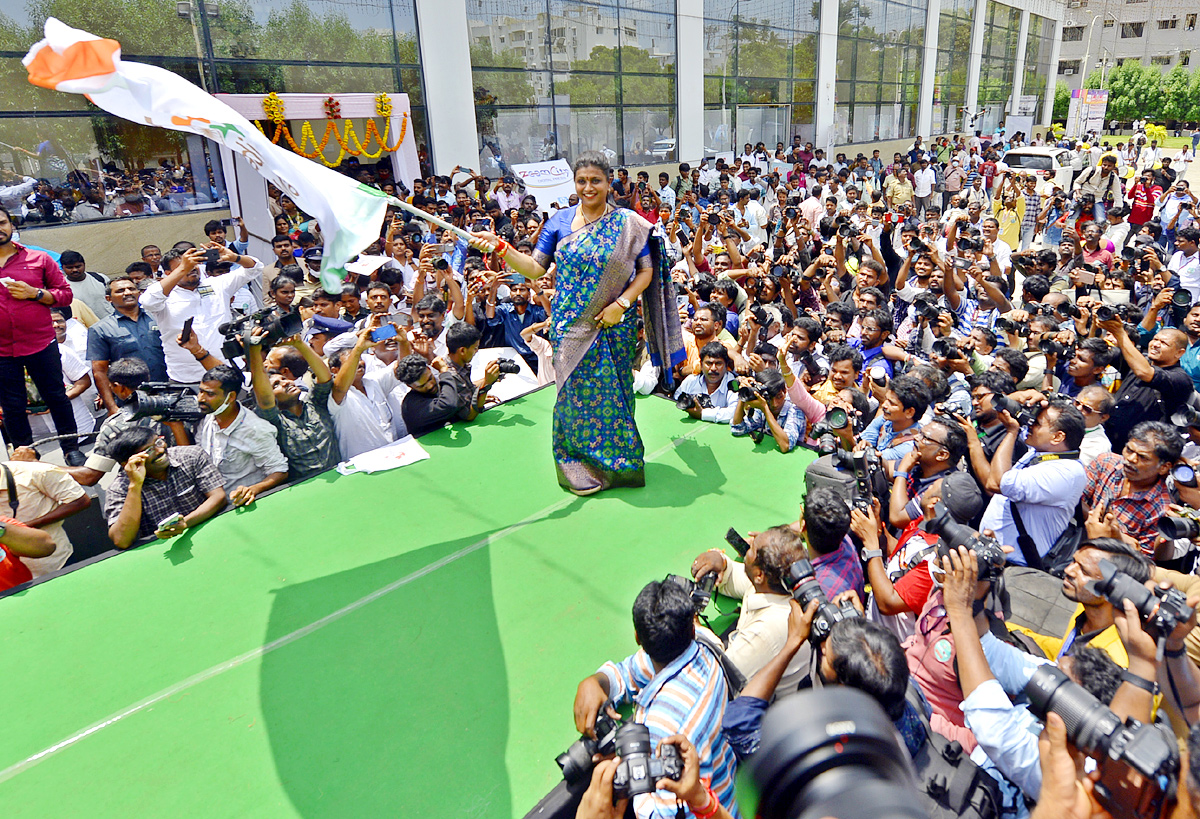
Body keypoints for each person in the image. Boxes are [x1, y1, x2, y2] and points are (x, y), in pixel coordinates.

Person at [467, 151, 683, 495]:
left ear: (609, 181)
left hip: (614, 325)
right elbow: (535, 268)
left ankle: (620, 467)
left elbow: (646, 272)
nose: (588, 187)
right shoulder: (559, 222)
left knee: (616, 397)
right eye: (581, 181)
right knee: (571, 398)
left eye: (595, 180)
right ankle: (577, 468)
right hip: (569, 327)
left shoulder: (629, 224)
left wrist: (622, 304)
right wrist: (501, 246)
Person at [571, 579, 739, 819]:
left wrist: (630, 768)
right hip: (724, 800)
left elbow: (661, 813)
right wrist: (596, 682)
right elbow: (627, 672)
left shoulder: (664, 728)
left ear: (637, 638)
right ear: (692, 627)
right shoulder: (703, 644)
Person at [0, 206, 83, 465]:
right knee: (12, 406)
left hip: (40, 342)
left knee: (56, 396)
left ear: (11, 224)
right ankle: (26, 455)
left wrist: (34, 293)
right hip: (1, 350)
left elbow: (66, 295)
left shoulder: (39, 259)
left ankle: (71, 448)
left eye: (1, 222)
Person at [688, 525, 807, 681]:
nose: (746, 550)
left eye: (751, 550)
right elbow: (736, 579)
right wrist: (721, 563)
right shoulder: (777, 582)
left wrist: (695, 628)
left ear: (759, 575)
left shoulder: (765, 632)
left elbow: (723, 674)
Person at [979, 395, 1087, 567]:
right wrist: (1031, 397)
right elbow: (995, 401)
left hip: (1016, 567)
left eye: (1037, 423)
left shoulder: (1067, 472)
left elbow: (996, 483)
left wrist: (1011, 432)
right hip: (994, 554)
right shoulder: (1040, 451)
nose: (1030, 425)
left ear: (1057, 437)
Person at [139, 244, 264, 384]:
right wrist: (182, 269)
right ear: (169, 273)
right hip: (187, 377)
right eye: (184, 267)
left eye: (194, 265)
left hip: (228, 368)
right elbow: (148, 302)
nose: (191, 269)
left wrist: (235, 257)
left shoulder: (217, 284)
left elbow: (256, 268)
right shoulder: (163, 294)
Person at [103, 427, 227, 549]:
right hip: (164, 551)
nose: (160, 450)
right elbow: (121, 540)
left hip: (210, 533)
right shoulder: (119, 489)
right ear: (128, 463)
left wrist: (185, 523)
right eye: (149, 451)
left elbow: (219, 497)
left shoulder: (191, 456)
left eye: (158, 442)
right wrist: (135, 485)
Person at [246, 334, 340, 483]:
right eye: (275, 385)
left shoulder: (315, 404)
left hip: (339, 476)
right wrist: (254, 352)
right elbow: (264, 399)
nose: (285, 383)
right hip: (304, 489)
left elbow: (325, 378)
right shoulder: (274, 422)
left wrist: (300, 344)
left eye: (283, 379)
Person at [194, 364, 289, 507]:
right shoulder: (209, 417)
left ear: (230, 397)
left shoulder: (255, 430)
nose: (201, 398)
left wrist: (253, 490)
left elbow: (280, 471)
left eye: (210, 394)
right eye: (200, 391)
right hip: (214, 507)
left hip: (245, 507)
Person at [85, 275, 169, 414]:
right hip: (131, 398)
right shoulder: (100, 329)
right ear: (108, 299)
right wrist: (112, 407)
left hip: (168, 390)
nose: (128, 293)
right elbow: (100, 371)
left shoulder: (158, 317)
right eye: (120, 290)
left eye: (131, 289)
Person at [673, 342, 738, 424]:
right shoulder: (691, 381)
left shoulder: (733, 385)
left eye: (718, 363)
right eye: (709, 363)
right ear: (701, 365)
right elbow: (676, 401)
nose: (713, 368)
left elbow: (734, 413)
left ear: (726, 366)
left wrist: (702, 414)